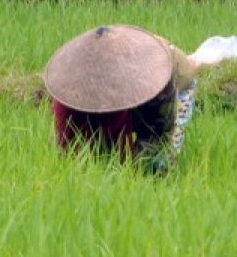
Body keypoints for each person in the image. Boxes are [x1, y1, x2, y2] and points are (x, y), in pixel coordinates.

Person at [42, 25, 237, 173]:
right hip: (139, 58)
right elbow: (67, 147)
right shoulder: (68, 94)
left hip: (174, 78)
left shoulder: (157, 82)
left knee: (160, 162)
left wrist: (134, 174)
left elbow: (157, 134)